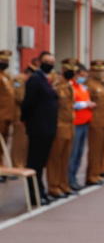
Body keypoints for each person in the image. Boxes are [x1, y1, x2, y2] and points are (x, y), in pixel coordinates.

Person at [20, 51, 59, 206]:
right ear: (38, 62)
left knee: (41, 163)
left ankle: (40, 191)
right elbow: (28, 104)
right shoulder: (35, 80)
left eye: (51, 61)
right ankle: (34, 195)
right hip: (38, 128)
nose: (49, 64)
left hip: (48, 128)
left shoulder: (47, 79)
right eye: (46, 61)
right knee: (34, 162)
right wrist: (28, 121)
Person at [46, 58, 76, 199]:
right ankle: (53, 186)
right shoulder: (57, 85)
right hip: (59, 125)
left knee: (65, 158)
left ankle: (64, 185)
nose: (72, 72)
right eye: (69, 69)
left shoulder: (69, 85)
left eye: (73, 69)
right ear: (63, 69)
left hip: (70, 125)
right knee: (55, 158)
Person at [86, 60, 104, 185]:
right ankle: (91, 175)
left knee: (102, 150)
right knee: (95, 151)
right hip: (96, 122)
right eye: (98, 70)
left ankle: (97, 173)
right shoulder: (90, 84)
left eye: (102, 70)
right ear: (92, 71)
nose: (101, 73)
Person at [68, 63, 93, 191]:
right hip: (75, 123)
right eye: (81, 75)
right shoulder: (71, 86)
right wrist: (85, 104)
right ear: (76, 74)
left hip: (84, 122)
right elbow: (72, 104)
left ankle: (75, 178)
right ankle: (70, 179)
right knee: (73, 153)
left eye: (85, 75)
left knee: (79, 153)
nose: (83, 77)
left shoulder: (82, 87)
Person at [11, 64, 33, 169]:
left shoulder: (26, 81)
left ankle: (23, 163)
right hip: (19, 116)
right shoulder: (18, 80)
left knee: (25, 142)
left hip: (27, 116)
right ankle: (17, 164)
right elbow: (19, 96)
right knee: (19, 142)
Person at [0, 50, 14, 170]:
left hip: (7, 116)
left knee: (3, 144)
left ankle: (1, 166)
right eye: (3, 60)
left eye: (7, 60)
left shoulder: (6, 76)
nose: (5, 62)